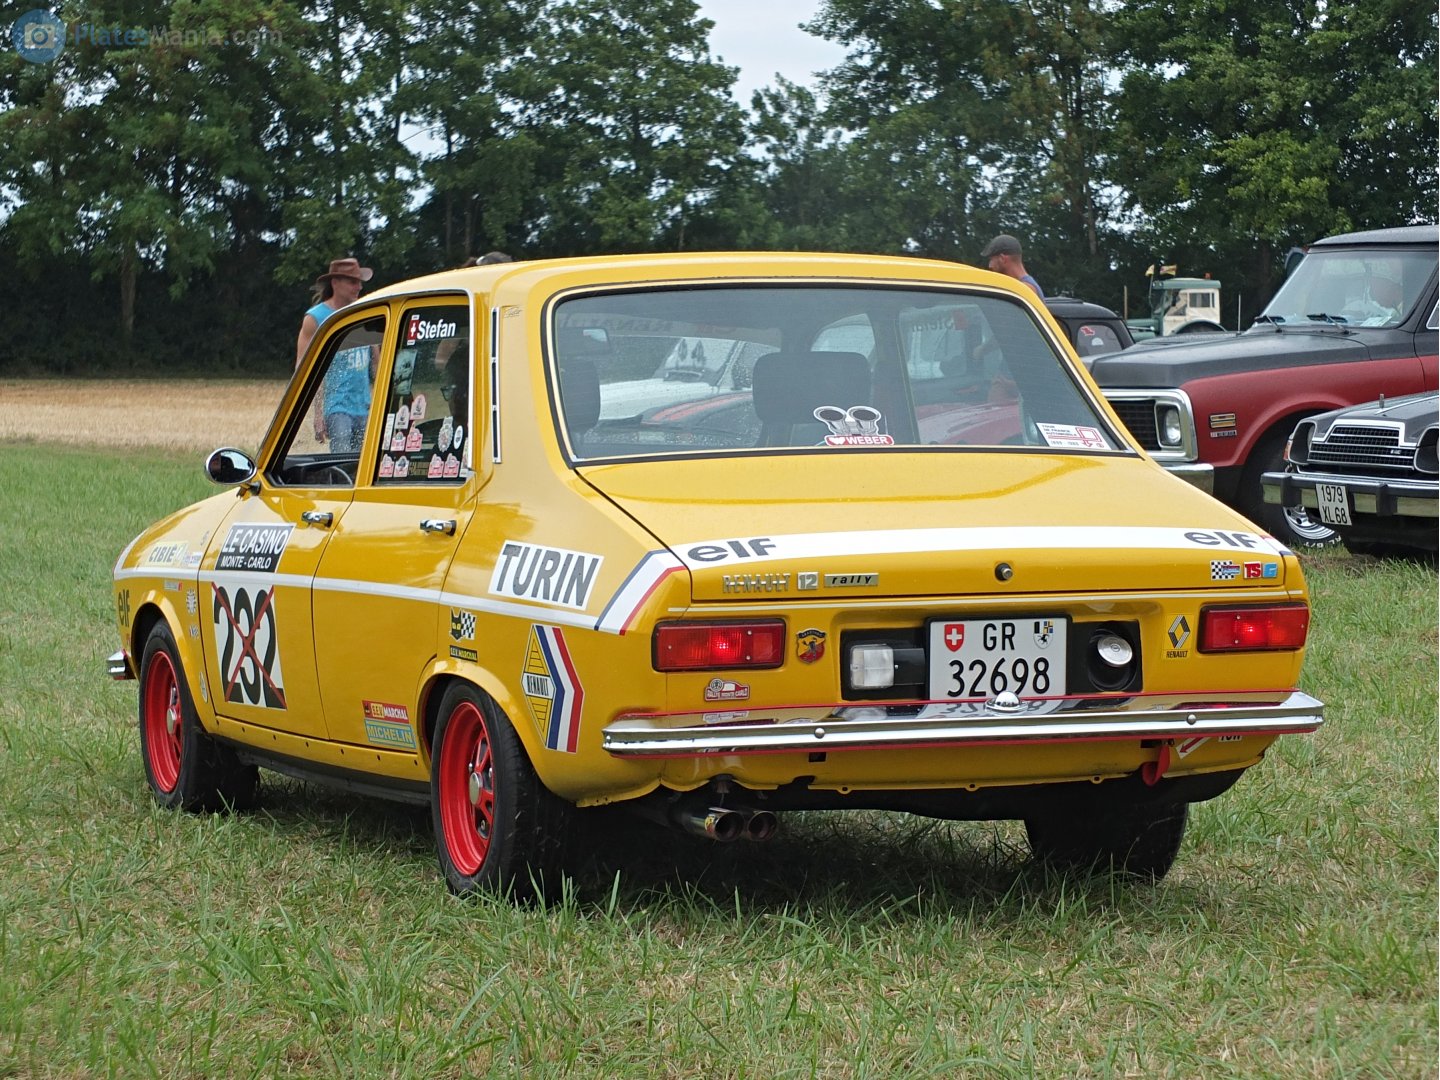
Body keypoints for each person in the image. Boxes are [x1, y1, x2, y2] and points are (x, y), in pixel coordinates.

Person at [296, 257, 373, 370]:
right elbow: (302, 366)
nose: (359, 287)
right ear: (335, 283)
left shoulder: (365, 314)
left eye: (360, 282)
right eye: (353, 282)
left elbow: (376, 362)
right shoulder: (315, 318)